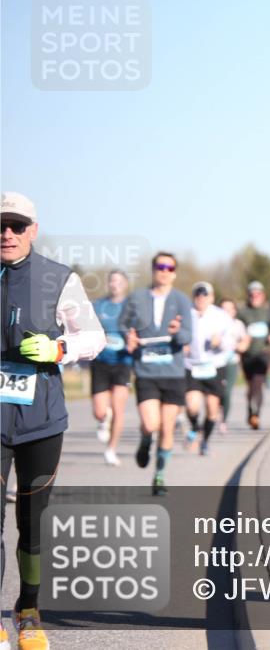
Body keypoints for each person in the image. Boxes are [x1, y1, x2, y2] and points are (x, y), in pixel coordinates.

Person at [1, 191, 106, 649]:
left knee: (32, 520)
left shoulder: (57, 278)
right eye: (0, 225)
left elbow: (95, 337)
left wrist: (59, 349)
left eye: (17, 225)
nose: (7, 233)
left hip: (40, 420)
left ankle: (28, 609)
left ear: (33, 230)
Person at [120, 250, 193, 496]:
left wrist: (176, 332)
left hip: (173, 374)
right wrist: (127, 336)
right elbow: (122, 324)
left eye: (170, 268)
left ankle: (160, 475)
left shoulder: (182, 300)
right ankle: (144, 440)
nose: (164, 271)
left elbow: (187, 336)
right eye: (160, 267)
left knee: (167, 427)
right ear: (153, 270)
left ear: (175, 274)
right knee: (151, 424)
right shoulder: (137, 297)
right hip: (146, 370)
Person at [183, 282, 235, 456]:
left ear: (211, 297)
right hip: (192, 366)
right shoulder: (185, 314)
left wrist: (220, 341)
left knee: (212, 408)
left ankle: (205, 440)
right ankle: (195, 427)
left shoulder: (221, 316)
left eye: (205, 295)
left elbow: (231, 342)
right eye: (198, 295)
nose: (201, 299)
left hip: (214, 366)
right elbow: (177, 334)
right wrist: (181, 344)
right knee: (192, 406)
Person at [91, 269, 133, 466]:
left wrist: (133, 340)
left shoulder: (131, 306)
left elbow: (138, 329)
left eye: (118, 281)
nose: (115, 284)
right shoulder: (99, 305)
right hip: (100, 362)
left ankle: (111, 449)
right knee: (100, 411)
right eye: (112, 280)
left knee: (118, 407)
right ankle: (103, 418)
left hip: (123, 362)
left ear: (125, 284)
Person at [237, 281, 270, 429]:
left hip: (263, 353)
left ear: (262, 295)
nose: (255, 297)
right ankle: (251, 410)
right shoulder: (243, 312)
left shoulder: (268, 313)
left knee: (259, 382)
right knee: (251, 386)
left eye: (258, 294)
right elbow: (235, 329)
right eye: (252, 295)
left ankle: (256, 414)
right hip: (247, 355)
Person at [218, 297, 249, 433]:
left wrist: (241, 346)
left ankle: (223, 420)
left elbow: (245, 340)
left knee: (227, 392)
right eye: (223, 309)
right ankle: (214, 415)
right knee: (216, 393)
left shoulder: (237, 324)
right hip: (215, 363)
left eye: (229, 309)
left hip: (231, 362)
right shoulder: (213, 323)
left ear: (234, 311)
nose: (226, 312)